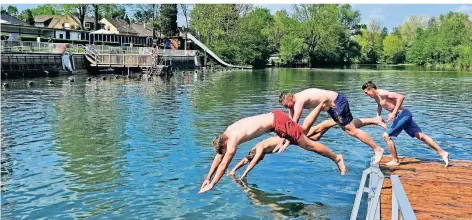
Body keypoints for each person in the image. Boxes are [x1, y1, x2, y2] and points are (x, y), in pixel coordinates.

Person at [199, 101, 346, 194]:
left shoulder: (231, 143)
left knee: (308, 144)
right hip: (275, 118)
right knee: (305, 131)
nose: (225, 154)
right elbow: (219, 157)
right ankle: (322, 107)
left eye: (225, 152)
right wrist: (207, 177)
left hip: (278, 123)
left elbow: (224, 163)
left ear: (224, 146)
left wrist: (213, 184)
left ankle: (336, 157)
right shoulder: (227, 133)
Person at [229, 117, 386, 179]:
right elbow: (245, 159)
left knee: (327, 124)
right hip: (294, 138)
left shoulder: (260, 149)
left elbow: (251, 161)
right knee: (320, 132)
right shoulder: (255, 149)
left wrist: (243, 175)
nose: (260, 159)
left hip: (295, 136)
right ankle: (372, 120)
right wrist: (233, 170)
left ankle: (372, 120)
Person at [279, 89, 385, 165]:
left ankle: (377, 149)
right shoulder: (292, 103)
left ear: (290, 98)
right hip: (332, 105)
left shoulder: (299, 101)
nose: (286, 107)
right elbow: (290, 122)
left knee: (351, 130)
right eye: (284, 106)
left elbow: (294, 123)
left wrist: (286, 141)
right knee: (349, 125)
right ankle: (375, 120)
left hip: (336, 102)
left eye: (286, 105)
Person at [362, 81, 450, 167]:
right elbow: (379, 106)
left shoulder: (383, 93)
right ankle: (443, 153)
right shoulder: (376, 97)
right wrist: (377, 117)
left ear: (372, 89)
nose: (366, 95)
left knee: (386, 136)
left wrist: (394, 112)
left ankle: (395, 160)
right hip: (403, 115)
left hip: (402, 114)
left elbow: (401, 97)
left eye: (366, 92)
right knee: (419, 135)